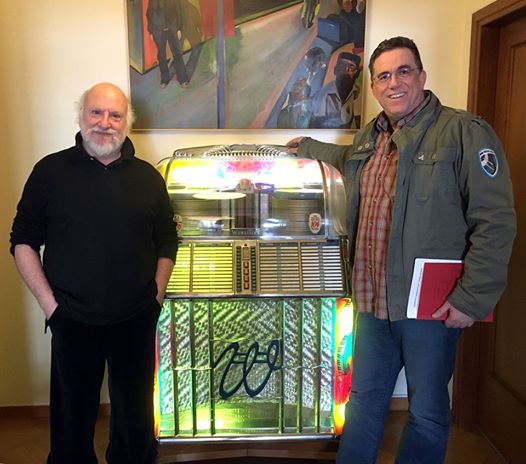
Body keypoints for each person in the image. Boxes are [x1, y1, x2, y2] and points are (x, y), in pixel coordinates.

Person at [287, 36, 516, 463]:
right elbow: (346, 160)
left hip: (430, 310)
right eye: (384, 76)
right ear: (374, 86)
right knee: (362, 403)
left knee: (426, 411)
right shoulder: (369, 137)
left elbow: (496, 220)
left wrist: (472, 298)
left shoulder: (463, 131)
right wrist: (306, 148)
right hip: (373, 304)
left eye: (404, 71)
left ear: (422, 76)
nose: (394, 83)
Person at [10, 82, 178, 464]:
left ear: (127, 122)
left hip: (135, 318)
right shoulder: (49, 172)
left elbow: (167, 241)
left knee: (135, 428)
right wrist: (51, 307)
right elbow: (22, 241)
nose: (105, 122)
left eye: (115, 115)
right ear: (81, 117)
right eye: (96, 112)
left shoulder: (149, 178)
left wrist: (155, 297)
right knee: (70, 429)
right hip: (72, 318)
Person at [310, 51, 362, 128]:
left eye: (351, 66)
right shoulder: (322, 94)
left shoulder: (361, 93)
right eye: (342, 65)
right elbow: (317, 124)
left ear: (357, 73)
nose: (346, 69)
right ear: (335, 70)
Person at [147, 0, 189, 89]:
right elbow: (149, 13)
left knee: (177, 53)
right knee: (161, 55)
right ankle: (164, 79)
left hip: (172, 28)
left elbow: (178, 10)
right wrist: (150, 31)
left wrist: (179, 28)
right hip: (157, 30)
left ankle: (183, 79)